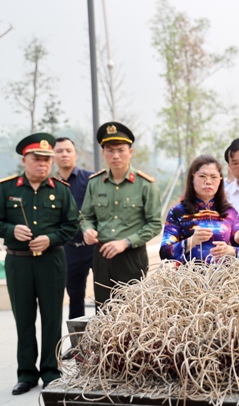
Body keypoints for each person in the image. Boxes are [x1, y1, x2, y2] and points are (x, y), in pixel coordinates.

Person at [0, 133, 79, 394]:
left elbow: (71, 225)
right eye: (37, 159)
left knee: (51, 318)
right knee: (23, 318)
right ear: (25, 160)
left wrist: (50, 238)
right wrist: (11, 230)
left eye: (47, 160)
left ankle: (51, 372)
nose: (43, 164)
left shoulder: (61, 190)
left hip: (52, 261)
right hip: (18, 262)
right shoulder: (6, 188)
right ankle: (26, 374)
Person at [81, 122, 162, 309]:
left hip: (131, 256)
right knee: (103, 310)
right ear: (103, 153)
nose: (115, 155)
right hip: (102, 254)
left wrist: (125, 242)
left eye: (121, 150)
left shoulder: (145, 184)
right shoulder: (95, 183)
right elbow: (85, 216)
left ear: (130, 152)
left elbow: (155, 224)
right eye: (110, 150)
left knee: (132, 312)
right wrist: (87, 230)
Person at [160, 155, 239, 263]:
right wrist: (191, 241)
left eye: (214, 177)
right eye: (202, 176)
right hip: (188, 278)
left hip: (224, 278)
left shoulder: (230, 212)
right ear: (192, 178)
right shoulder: (178, 212)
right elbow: (164, 253)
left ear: (220, 180)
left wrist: (232, 251)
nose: (208, 181)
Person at [53, 137, 94, 321]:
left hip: (94, 245)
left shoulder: (91, 179)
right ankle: (77, 344)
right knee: (75, 297)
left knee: (104, 295)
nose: (64, 154)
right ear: (53, 156)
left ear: (76, 155)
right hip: (69, 249)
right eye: (60, 151)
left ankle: (104, 341)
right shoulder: (51, 185)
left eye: (68, 150)